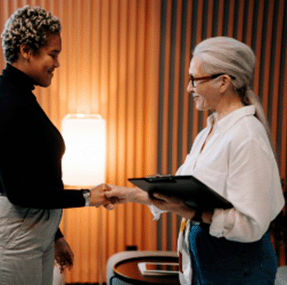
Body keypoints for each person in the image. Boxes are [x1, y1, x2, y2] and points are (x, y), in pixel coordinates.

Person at [106, 37, 285, 285]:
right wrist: (126, 194)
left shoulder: (247, 136)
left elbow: (251, 225)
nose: (189, 88)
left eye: (194, 79)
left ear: (223, 82)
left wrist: (189, 211)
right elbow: (177, 190)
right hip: (208, 262)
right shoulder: (208, 132)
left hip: (237, 267)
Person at [0, 5, 114, 285]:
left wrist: (55, 235)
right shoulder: (5, 105)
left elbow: (39, 178)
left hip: (30, 234)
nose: (57, 63)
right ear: (27, 49)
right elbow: (21, 191)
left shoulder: (21, 98)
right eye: (53, 54)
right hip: (10, 243)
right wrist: (88, 197)